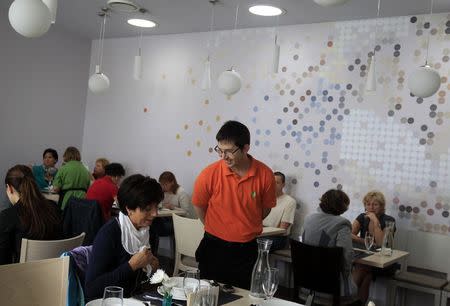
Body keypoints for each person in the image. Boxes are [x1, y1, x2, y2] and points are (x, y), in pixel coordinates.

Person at [192, 120, 276, 289]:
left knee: (243, 297)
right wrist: (214, 226)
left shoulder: (265, 174)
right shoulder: (209, 173)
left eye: (229, 151)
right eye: (220, 151)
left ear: (245, 148)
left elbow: (265, 209)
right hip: (213, 246)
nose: (223, 157)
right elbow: (200, 206)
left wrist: (246, 222)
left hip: (246, 250)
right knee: (208, 294)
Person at [85, 174, 163, 301]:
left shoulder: (150, 232)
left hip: (136, 300)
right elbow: (91, 289)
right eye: (147, 209)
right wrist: (131, 266)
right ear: (129, 208)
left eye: (157, 207)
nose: (155, 214)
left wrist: (154, 270)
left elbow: (142, 283)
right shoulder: (110, 233)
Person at [302, 189, 370, 303]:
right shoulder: (342, 223)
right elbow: (346, 257)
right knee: (364, 273)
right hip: (332, 290)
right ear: (342, 206)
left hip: (306, 286)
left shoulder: (308, 218)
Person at [0, 165, 63, 264]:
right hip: (54, 275)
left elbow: (2, 262)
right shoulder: (54, 208)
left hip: (21, 277)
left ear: (9, 188)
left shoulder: (7, 217)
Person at [263, 171, 296, 251]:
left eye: (277, 183)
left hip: (277, 238)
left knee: (253, 245)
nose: (273, 185)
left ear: (283, 185)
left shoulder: (289, 201)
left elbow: (282, 229)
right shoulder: (263, 199)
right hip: (260, 234)